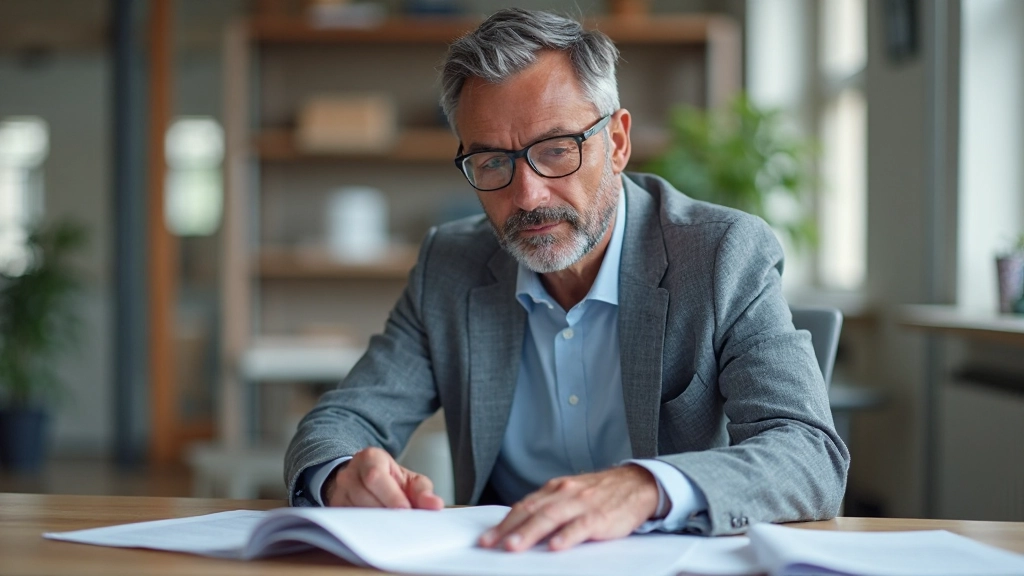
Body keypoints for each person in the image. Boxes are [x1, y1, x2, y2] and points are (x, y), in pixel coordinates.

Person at [284, 7, 849, 551]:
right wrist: (340, 474)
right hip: (504, 560)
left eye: (557, 151)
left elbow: (808, 453)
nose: (528, 196)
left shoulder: (722, 254)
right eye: (492, 162)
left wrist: (645, 488)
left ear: (617, 142)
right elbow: (341, 420)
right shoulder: (450, 266)